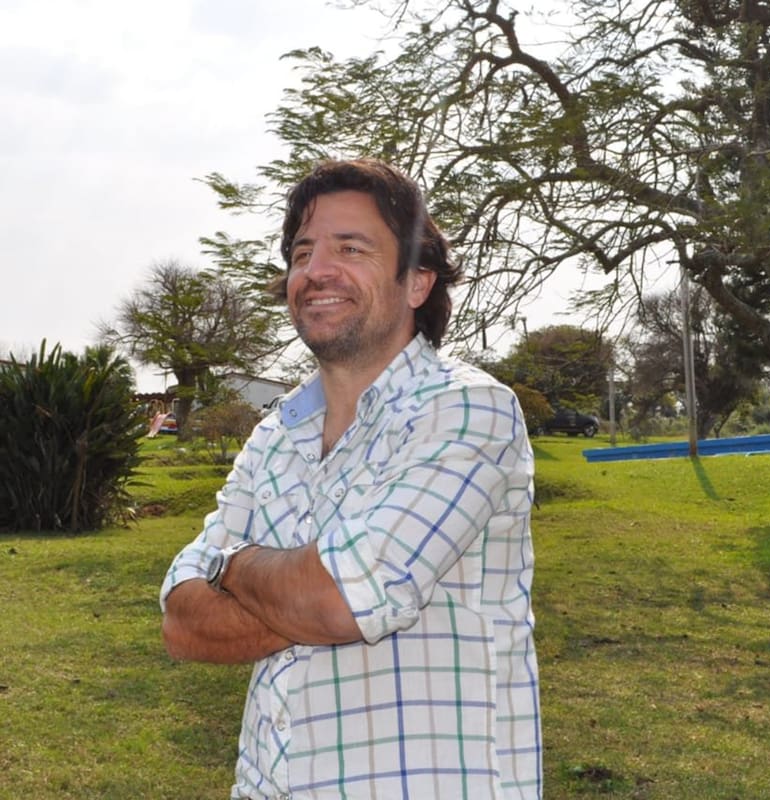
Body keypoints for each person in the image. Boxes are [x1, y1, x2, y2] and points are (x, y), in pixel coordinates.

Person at [160, 159, 541, 799]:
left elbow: (338, 602)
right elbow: (181, 623)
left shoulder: (467, 408)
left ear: (418, 280)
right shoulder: (276, 432)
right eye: (303, 251)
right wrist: (312, 590)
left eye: (351, 247)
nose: (316, 271)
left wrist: (231, 566)